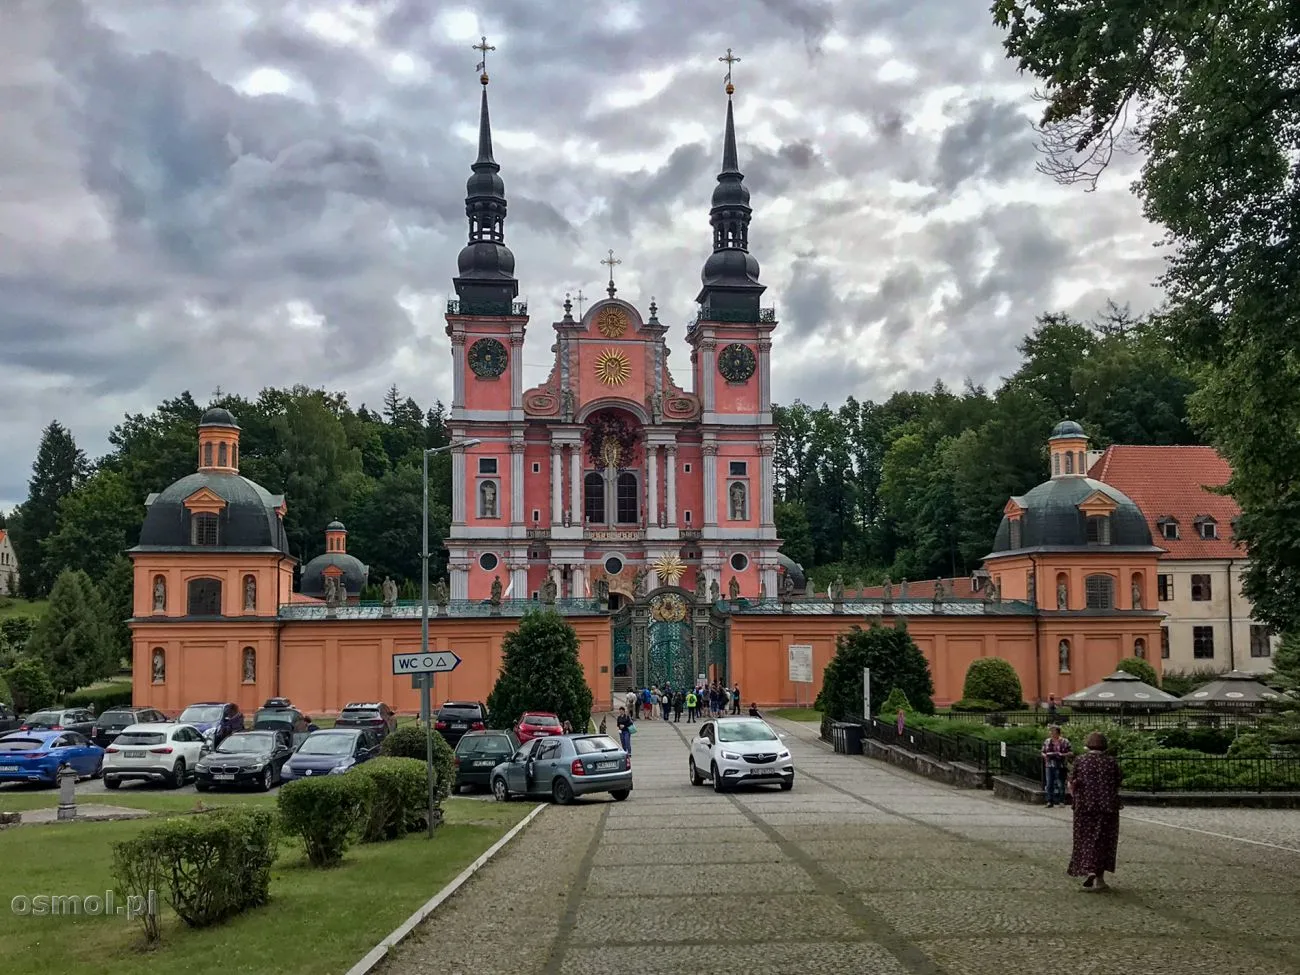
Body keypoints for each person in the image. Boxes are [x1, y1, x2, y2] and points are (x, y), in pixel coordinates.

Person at [1067, 731, 1123, 891]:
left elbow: (1072, 783)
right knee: (1104, 840)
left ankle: (1088, 869)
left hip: (1085, 806)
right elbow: (1118, 780)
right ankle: (1100, 879)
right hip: (1107, 807)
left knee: (1085, 838)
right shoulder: (1111, 762)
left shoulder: (1080, 761)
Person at [1041, 724, 1072, 808]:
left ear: (1058, 733)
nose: (1051, 733)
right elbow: (1043, 751)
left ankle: (1061, 801)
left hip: (1061, 765)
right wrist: (1045, 755)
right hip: (1049, 764)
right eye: (1051, 732)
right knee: (1049, 783)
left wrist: (1062, 754)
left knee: (1060, 783)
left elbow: (1070, 752)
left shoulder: (1065, 741)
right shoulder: (1047, 741)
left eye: (1053, 732)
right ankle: (1049, 801)